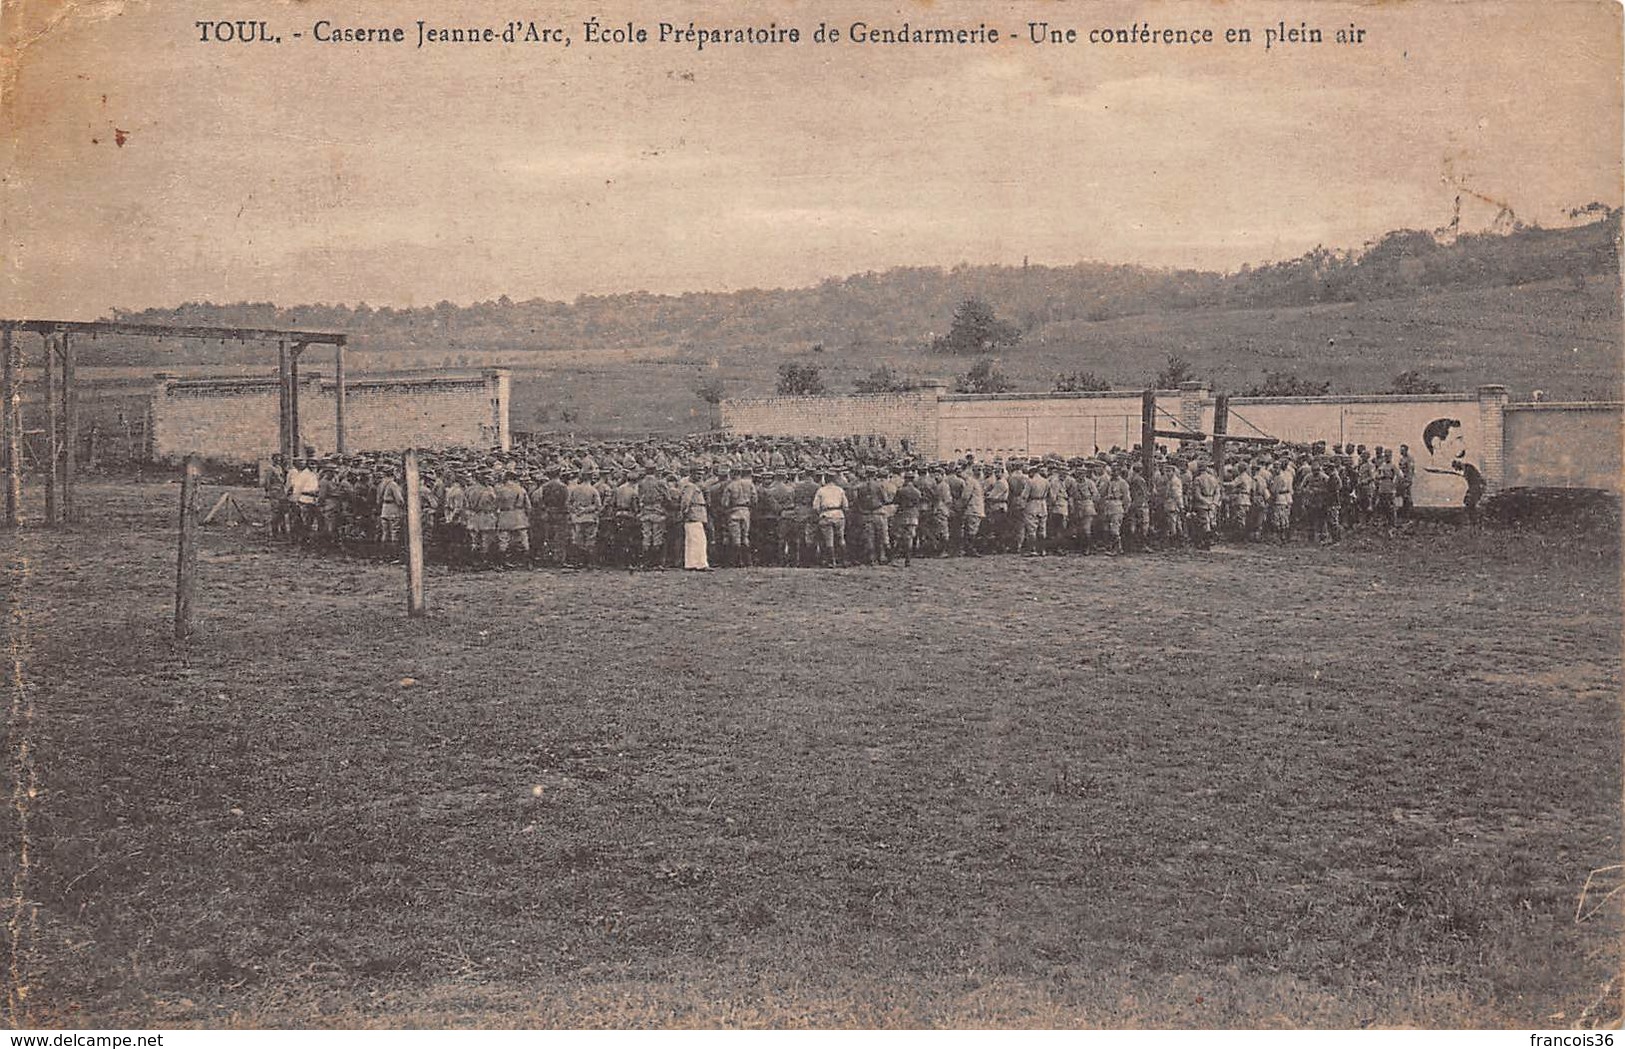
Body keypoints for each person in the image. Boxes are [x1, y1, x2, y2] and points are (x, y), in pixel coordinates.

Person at [812, 470, 850, 568]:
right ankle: (844, 561)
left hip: (826, 515)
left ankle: (831, 562)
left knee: (829, 540)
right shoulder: (840, 490)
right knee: (841, 539)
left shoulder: (821, 490)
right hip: (838, 515)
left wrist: (820, 513)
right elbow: (846, 506)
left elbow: (815, 507)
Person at [677, 468, 711, 570]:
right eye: (698, 474)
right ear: (691, 475)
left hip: (697, 514)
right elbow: (685, 501)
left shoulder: (695, 486)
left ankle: (694, 563)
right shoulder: (689, 486)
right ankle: (699, 564)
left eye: (701, 474)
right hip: (693, 514)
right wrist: (684, 512)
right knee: (697, 540)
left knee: (696, 540)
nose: (700, 476)